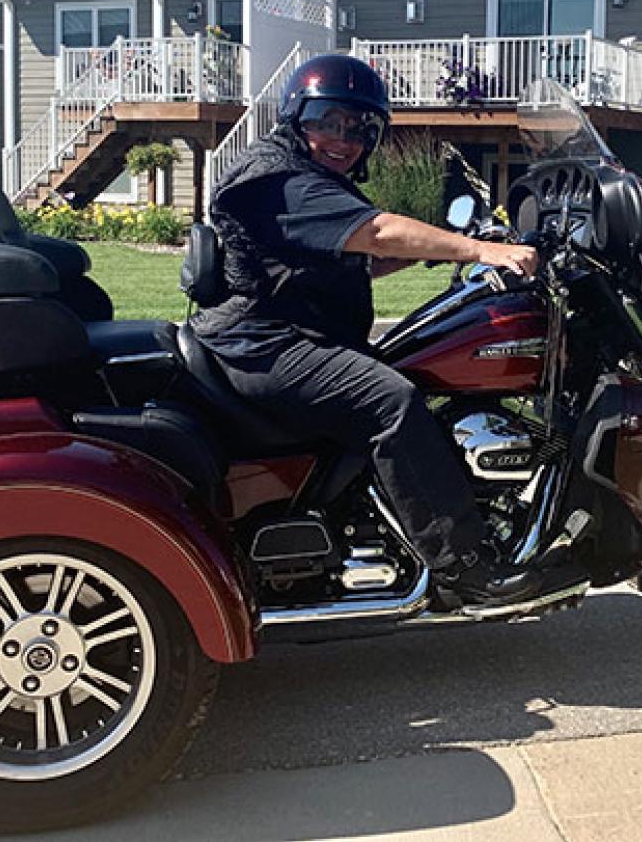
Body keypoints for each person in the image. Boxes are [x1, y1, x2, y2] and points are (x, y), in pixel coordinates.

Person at [191, 54, 543, 607]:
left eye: (359, 128)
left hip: (281, 336)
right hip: (264, 345)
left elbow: (355, 257)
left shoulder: (308, 178)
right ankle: (467, 568)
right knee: (393, 402)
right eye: (328, 120)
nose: (343, 138)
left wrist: (436, 252)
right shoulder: (282, 180)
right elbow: (378, 233)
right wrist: (482, 248)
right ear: (296, 116)